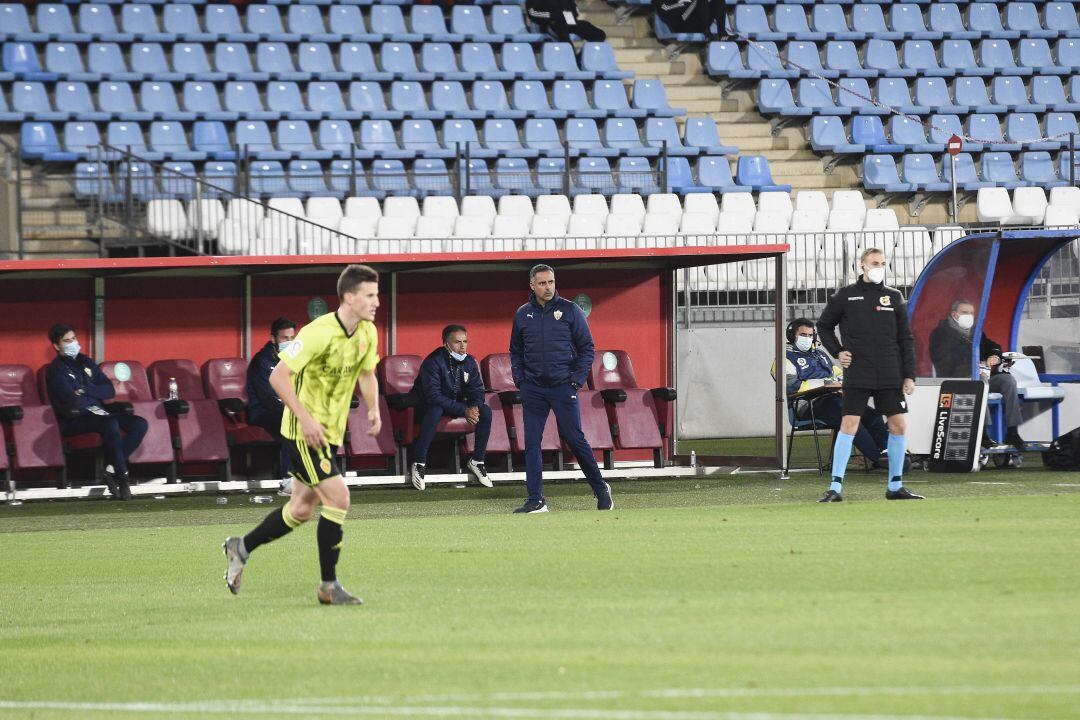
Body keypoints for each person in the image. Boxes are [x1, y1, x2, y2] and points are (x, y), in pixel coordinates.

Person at [223, 264, 382, 606]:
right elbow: (278, 377)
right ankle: (329, 586)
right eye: (370, 295)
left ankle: (241, 547)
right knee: (339, 499)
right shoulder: (316, 333)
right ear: (350, 297)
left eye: (378, 294)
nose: (377, 302)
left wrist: (373, 408)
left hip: (330, 432)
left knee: (300, 509)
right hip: (303, 433)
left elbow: (367, 373)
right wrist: (306, 419)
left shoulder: (367, 332)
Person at [815, 249, 924, 502]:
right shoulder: (845, 295)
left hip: (889, 372)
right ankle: (835, 488)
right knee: (849, 425)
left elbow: (906, 339)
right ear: (862, 265)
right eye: (875, 263)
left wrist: (909, 375)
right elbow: (824, 326)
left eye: (883, 264)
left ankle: (895, 487)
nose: (879, 267)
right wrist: (838, 352)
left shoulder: (894, 297)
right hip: (859, 371)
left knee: (898, 425)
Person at [509, 264, 612, 513]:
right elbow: (516, 351)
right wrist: (521, 381)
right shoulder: (522, 314)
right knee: (532, 443)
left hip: (563, 386)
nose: (548, 287)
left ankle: (601, 489)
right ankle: (536, 500)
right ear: (532, 285)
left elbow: (587, 348)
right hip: (533, 388)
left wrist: (576, 380)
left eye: (551, 282)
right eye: (542, 283)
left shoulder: (570, 310)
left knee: (575, 440)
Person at [45, 324, 148, 501]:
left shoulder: (86, 362)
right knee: (109, 423)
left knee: (139, 423)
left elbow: (109, 390)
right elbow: (70, 398)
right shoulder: (55, 370)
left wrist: (85, 389)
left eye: (74, 339)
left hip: (99, 412)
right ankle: (123, 477)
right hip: (74, 418)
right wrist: (88, 391)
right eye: (67, 341)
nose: (72, 343)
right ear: (56, 346)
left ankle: (110, 470)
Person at [772, 318, 890, 468]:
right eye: (803, 335)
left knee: (870, 413)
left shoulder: (820, 355)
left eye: (810, 335)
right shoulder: (783, 359)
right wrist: (826, 384)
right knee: (848, 415)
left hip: (833, 400)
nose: (807, 339)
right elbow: (791, 386)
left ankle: (887, 452)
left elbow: (839, 376)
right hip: (806, 405)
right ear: (792, 336)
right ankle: (878, 459)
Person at [928, 299, 1025, 449]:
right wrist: (973, 366)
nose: (969, 316)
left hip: (980, 376)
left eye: (972, 313)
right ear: (954, 314)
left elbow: (993, 346)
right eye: (965, 312)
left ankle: (1012, 432)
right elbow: (943, 360)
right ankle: (983, 434)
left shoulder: (976, 332)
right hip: (956, 379)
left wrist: (994, 356)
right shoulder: (940, 333)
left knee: (1008, 380)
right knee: (980, 383)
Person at [410, 324, 494, 491]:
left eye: (465, 341)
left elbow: (477, 389)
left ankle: (477, 461)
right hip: (426, 407)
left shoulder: (469, 361)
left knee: (486, 411)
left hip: (455, 404)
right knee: (436, 409)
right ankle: (419, 463)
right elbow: (433, 396)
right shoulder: (433, 362)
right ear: (446, 343)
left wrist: (474, 407)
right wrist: (464, 410)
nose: (462, 346)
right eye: (457, 342)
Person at [245, 316, 297, 493]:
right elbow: (267, 397)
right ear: (273, 339)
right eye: (284, 338)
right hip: (262, 411)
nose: (289, 342)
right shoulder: (262, 361)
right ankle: (288, 480)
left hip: (287, 408)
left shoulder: (296, 360)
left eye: (292, 338)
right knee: (292, 421)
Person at [525, 0, 606, 43]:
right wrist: (556, 15)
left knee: (599, 34)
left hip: (569, 22)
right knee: (564, 36)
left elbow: (575, 10)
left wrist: (571, 14)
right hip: (549, 23)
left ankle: (582, 60)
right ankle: (571, 63)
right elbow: (532, 13)